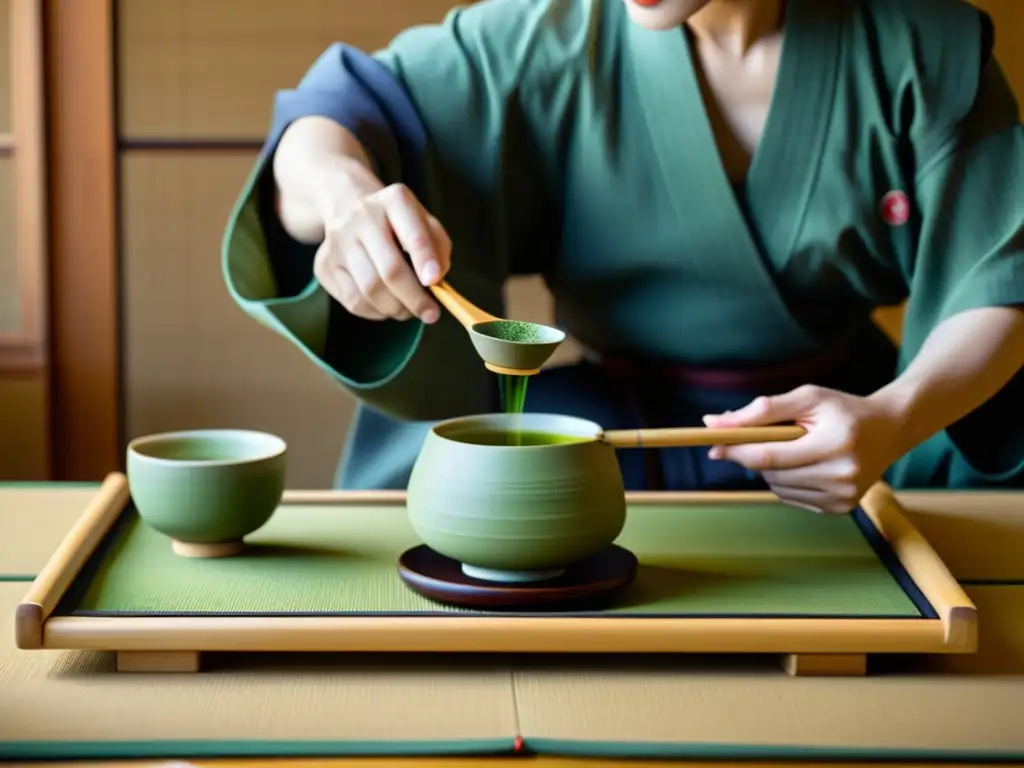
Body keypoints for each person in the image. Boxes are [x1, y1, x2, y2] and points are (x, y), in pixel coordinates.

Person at [221, 0, 1024, 512]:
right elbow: (338, 113)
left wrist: (897, 414)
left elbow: (999, 273)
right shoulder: (544, 40)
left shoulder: (920, 47)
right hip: (594, 447)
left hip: (837, 445)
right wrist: (344, 198)